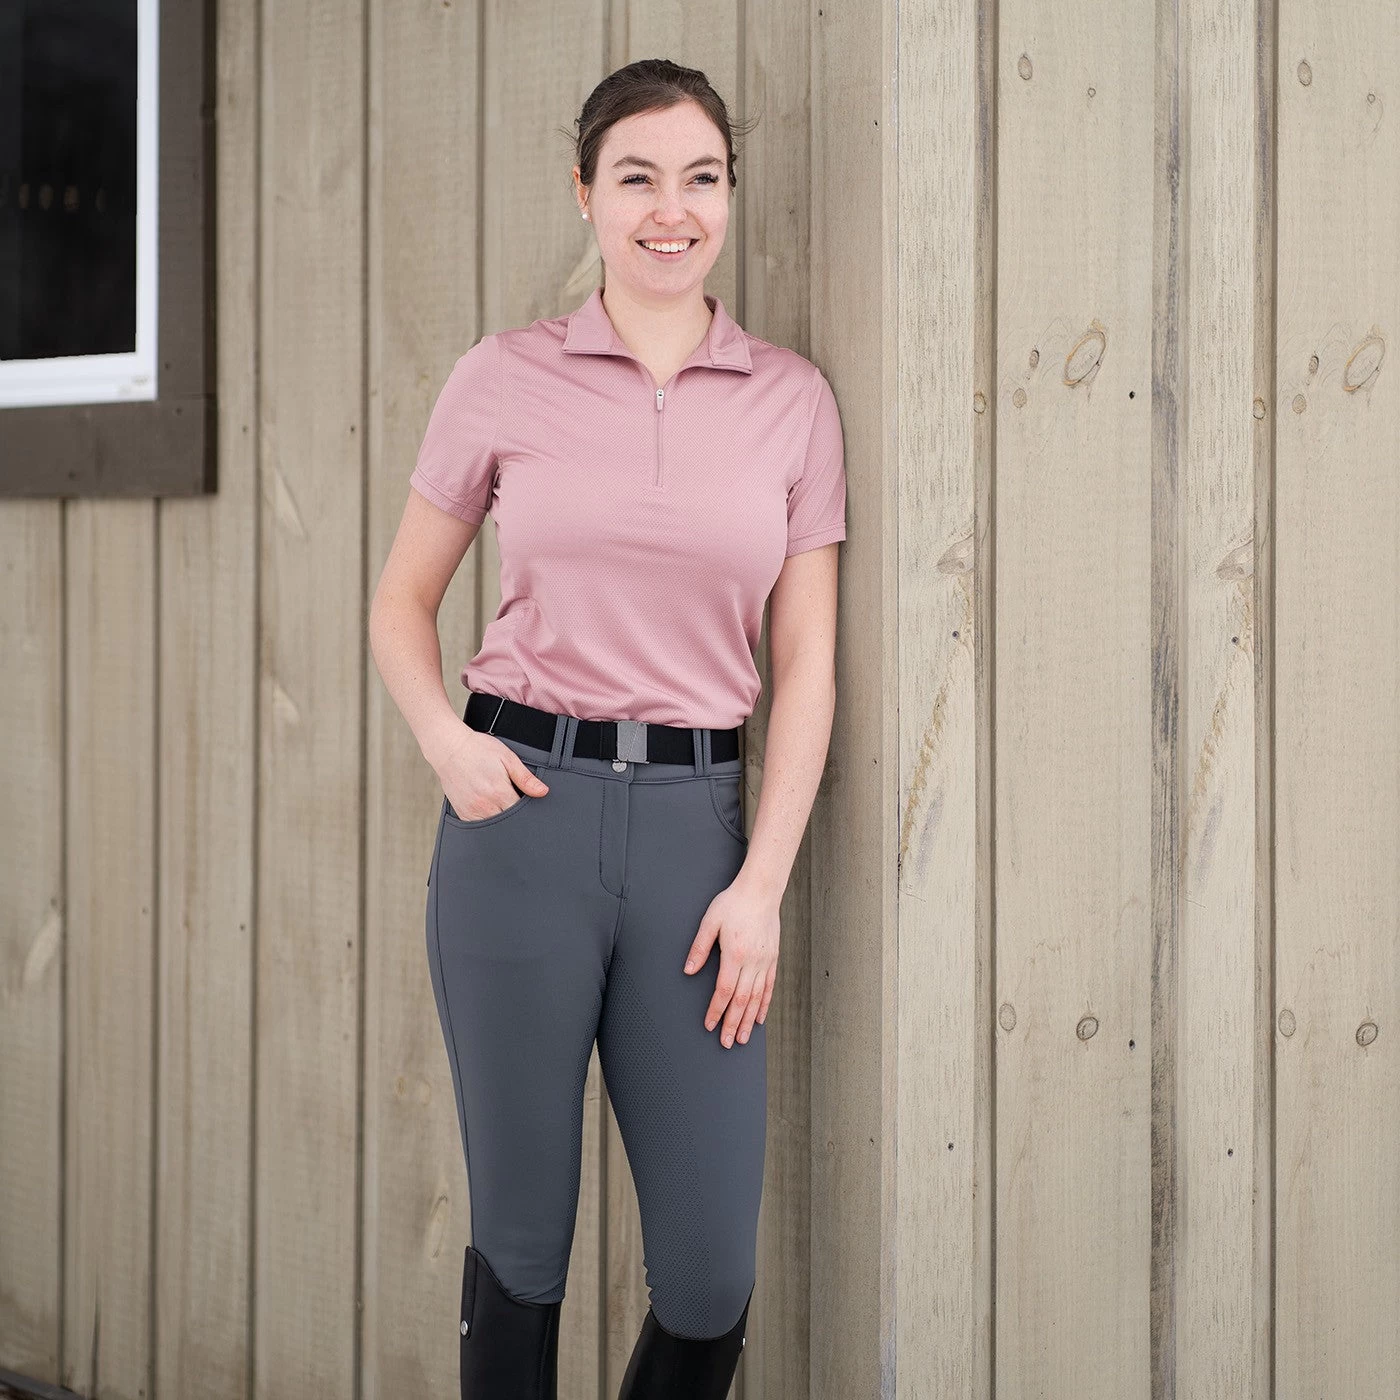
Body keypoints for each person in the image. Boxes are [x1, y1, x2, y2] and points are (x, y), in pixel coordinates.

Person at [369, 56, 846, 1400]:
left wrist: (762, 886)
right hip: (521, 824)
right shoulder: (504, 377)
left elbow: (806, 665)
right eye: (637, 178)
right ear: (584, 194)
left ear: (729, 195)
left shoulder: (792, 401)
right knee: (523, 1246)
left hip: (700, 854)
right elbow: (402, 602)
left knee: (708, 1275)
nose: (670, 210)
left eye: (701, 178)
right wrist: (447, 742)